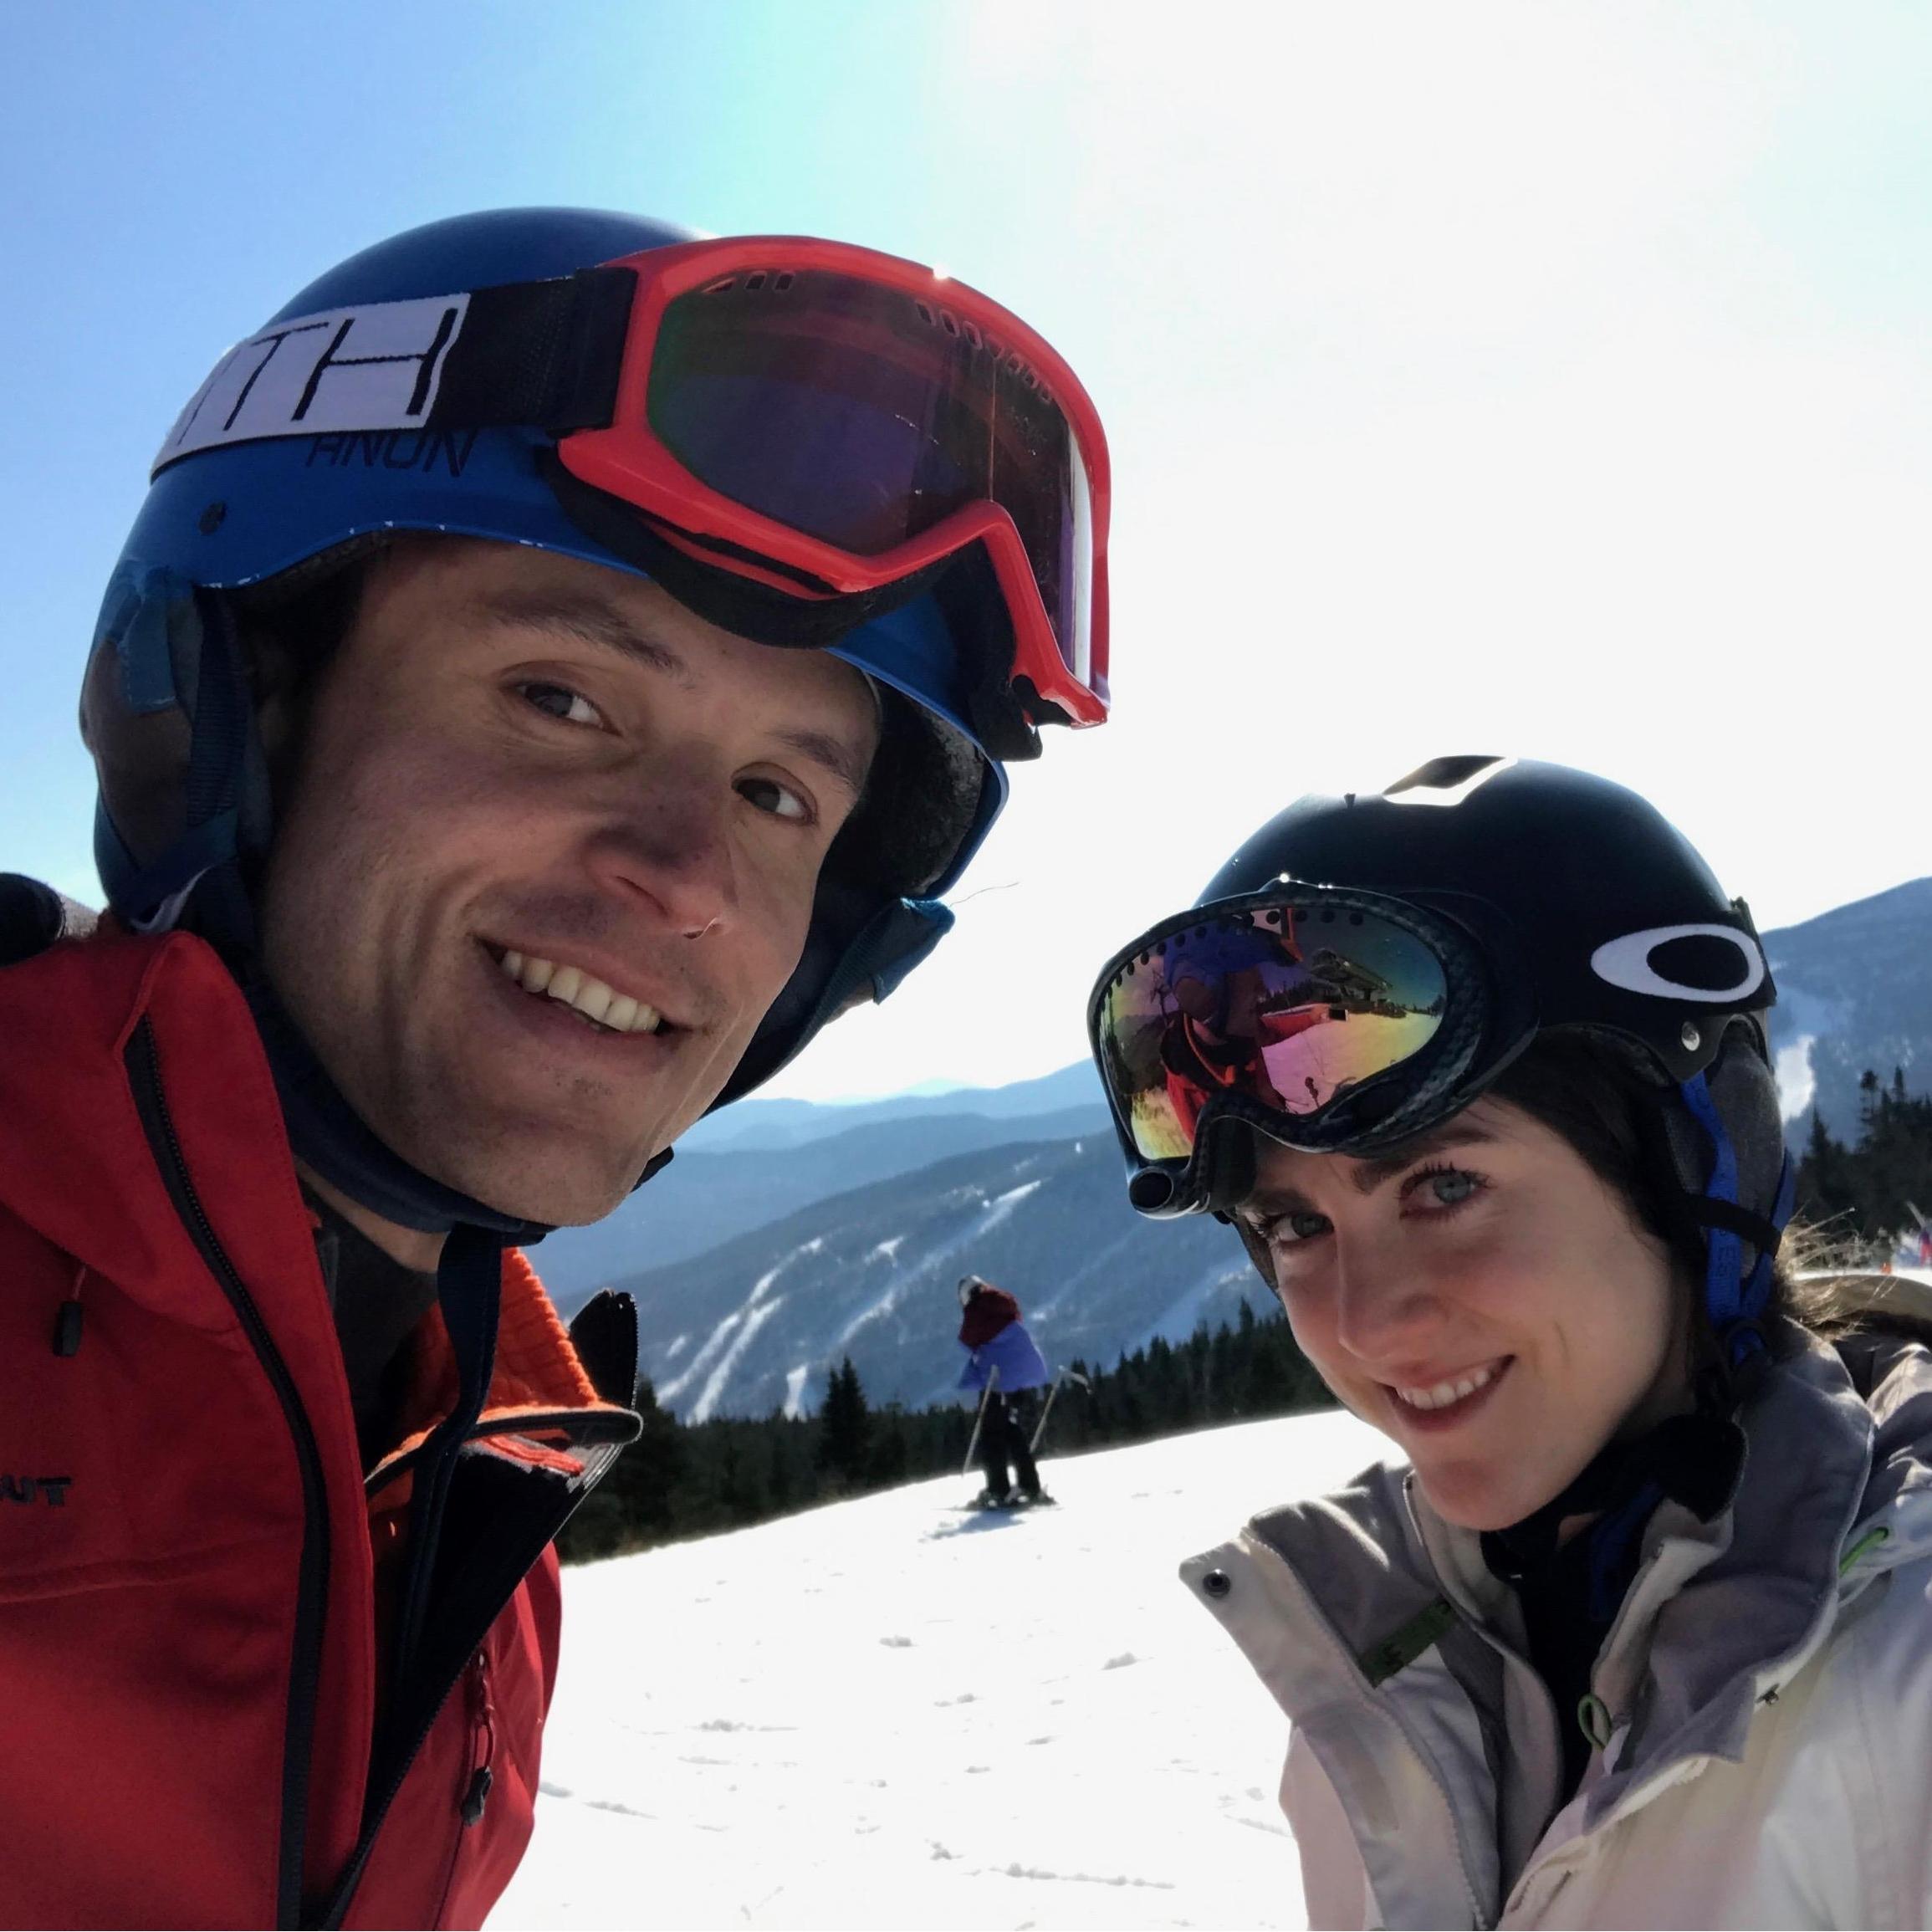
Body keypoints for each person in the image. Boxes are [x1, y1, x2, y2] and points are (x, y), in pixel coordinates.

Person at [0, 207, 1112, 1929]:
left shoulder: (491, 1473)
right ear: (235, 709)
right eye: (564, 701)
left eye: (779, 797)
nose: (686, 880)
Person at [1086, 755, 1932, 1929]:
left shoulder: (1905, 1670)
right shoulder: (1379, 1682)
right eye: (1292, 1225)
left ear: (1701, 1166)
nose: (1362, 1324)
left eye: (1444, 1186)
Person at [957, 1274, 1051, 1505]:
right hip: (1023, 1375)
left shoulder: (977, 1309)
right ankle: (1030, 1485)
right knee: (1012, 1429)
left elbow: (967, 1340)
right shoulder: (1004, 1305)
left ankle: (998, 1489)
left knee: (991, 1434)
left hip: (998, 1380)